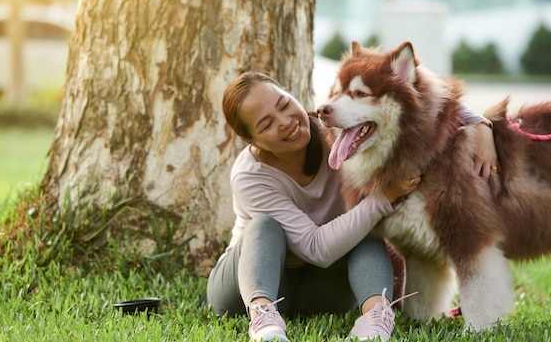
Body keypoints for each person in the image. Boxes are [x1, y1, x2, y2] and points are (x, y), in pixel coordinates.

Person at [206, 72, 497, 342]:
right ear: (249, 139)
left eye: (284, 104)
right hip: (247, 289)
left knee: (362, 228)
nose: (284, 121)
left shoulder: (335, 131)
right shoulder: (249, 176)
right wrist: (384, 198)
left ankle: (376, 319)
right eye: (266, 124)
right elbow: (316, 248)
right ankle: (263, 319)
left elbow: (409, 101)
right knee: (264, 225)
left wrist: (480, 123)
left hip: (322, 291)